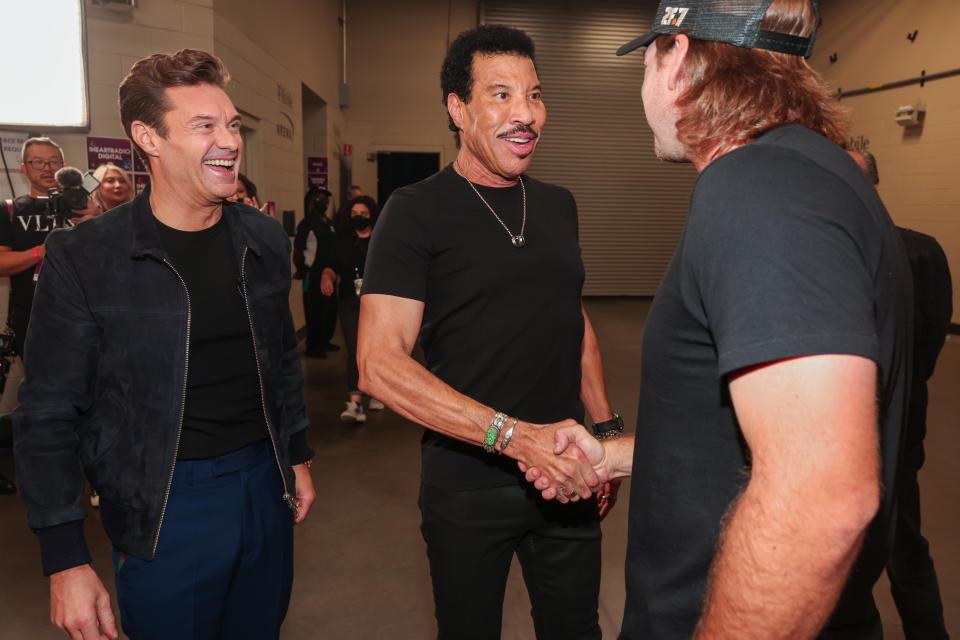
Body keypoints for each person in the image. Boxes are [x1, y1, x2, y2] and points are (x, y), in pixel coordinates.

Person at [526, 2, 913, 638]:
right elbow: (742, 439)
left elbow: (823, 500)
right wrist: (611, 456)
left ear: (676, 55)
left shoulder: (756, 189)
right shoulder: (815, 176)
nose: (642, 87)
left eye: (646, 61)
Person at [13, 49, 315, 640]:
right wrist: (65, 558)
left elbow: (280, 360)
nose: (229, 139)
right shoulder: (87, 256)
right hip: (165, 503)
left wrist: (297, 455)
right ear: (147, 137)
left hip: (265, 483)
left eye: (231, 124)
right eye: (204, 126)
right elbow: (46, 412)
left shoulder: (262, 239)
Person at [357, 24, 617, 640]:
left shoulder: (559, 205)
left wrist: (604, 433)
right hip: (467, 484)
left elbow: (571, 319)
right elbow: (378, 365)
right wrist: (515, 439)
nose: (524, 113)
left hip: (565, 475)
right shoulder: (415, 210)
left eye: (533, 94)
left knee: (577, 631)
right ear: (458, 109)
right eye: (501, 94)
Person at [848, 148, 952, 640]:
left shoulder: (920, 251)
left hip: (897, 433)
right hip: (841, 437)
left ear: (871, 183)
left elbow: (928, 344)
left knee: (905, 548)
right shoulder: (831, 250)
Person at [0, 137, 100, 356]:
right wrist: (41, 252)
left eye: (53, 162)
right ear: (24, 168)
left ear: (63, 168)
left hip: (87, 314)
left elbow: (111, 258)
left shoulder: (87, 206)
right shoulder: (10, 209)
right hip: (32, 316)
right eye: (38, 162)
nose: (47, 168)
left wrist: (99, 220)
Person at [318, 195, 385, 423]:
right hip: (350, 302)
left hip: (378, 303)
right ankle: (355, 402)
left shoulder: (383, 240)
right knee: (356, 350)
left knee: (376, 349)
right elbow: (331, 266)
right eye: (355, 213)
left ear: (372, 215)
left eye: (363, 214)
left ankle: (377, 392)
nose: (359, 217)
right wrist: (327, 277)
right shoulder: (343, 241)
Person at [294, 185, 340, 357]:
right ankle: (313, 345)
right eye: (320, 199)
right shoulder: (307, 224)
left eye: (326, 199)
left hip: (330, 274)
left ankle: (324, 340)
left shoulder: (329, 223)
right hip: (313, 275)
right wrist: (301, 270)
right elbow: (298, 251)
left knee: (329, 310)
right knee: (314, 310)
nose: (324, 202)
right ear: (312, 201)